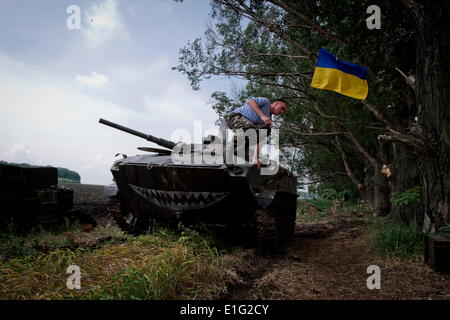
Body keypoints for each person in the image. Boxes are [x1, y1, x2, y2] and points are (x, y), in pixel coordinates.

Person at [227, 97, 288, 167]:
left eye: (284, 110)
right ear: (276, 104)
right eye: (282, 108)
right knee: (249, 129)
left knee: (266, 130)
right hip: (236, 118)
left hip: (248, 128)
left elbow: (260, 140)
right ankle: (230, 148)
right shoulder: (265, 102)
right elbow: (250, 102)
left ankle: (241, 150)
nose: (282, 111)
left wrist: (255, 158)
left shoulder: (269, 120)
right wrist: (262, 115)